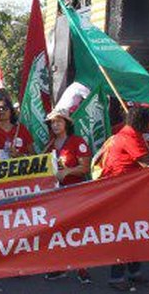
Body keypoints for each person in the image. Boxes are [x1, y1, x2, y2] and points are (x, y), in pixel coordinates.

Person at [101, 106, 149, 291]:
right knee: (125, 234)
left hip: (131, 193)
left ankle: (134, 272)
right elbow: (147, 163)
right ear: (141, 122)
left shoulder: (132, 134)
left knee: (136, 232)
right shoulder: (128, 137)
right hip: (121, 194)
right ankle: (116, 277)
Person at [43, 108, 92, 284]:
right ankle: (60, 266)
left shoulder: (77, 142)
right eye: (52, 122)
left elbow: (85, 167)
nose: (55, 125)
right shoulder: (49, 145)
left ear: (67, 124)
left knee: (76, 230)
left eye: (59, 121)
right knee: (58, 231)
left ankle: (82, 268)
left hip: (75, 193)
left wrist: (68, 172)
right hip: (55, 196)